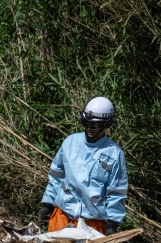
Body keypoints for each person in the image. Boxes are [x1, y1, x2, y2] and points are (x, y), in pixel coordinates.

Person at [39, 97, 128, 235]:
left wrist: (113, 223)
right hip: (62, 216)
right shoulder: (70, 142)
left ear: (105, 125)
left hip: (92, 223)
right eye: (86, 123)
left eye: (94, 126)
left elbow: (116, 192)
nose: (89, 129)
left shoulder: (114, 154)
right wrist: (48, 203)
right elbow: (57, 176)